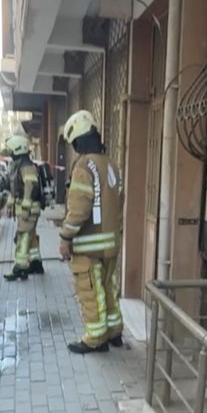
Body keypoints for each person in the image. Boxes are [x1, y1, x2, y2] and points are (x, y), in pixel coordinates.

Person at [59, 110, 125, 353]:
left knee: (90, 291)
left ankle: (96, 338)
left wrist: (65, 237)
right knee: (108, 289)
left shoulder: (84, 166)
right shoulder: (112, 165)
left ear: (78, 140)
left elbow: (78, 210)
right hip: (111, 243)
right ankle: (114, 331)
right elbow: (119, 204)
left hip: (89, 247)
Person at [3, 133, 45, 281]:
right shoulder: (20, 165)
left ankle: (20, 268)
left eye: (12, 150)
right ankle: (36, 263)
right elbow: (16, 189)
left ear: (18, 150)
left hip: (30, 209)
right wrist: (10, 203)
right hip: (27, 208)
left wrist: (26, 208)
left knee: (23, 236)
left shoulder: (27, 167)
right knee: (31, 235)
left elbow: (30, 188)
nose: (10, 153)